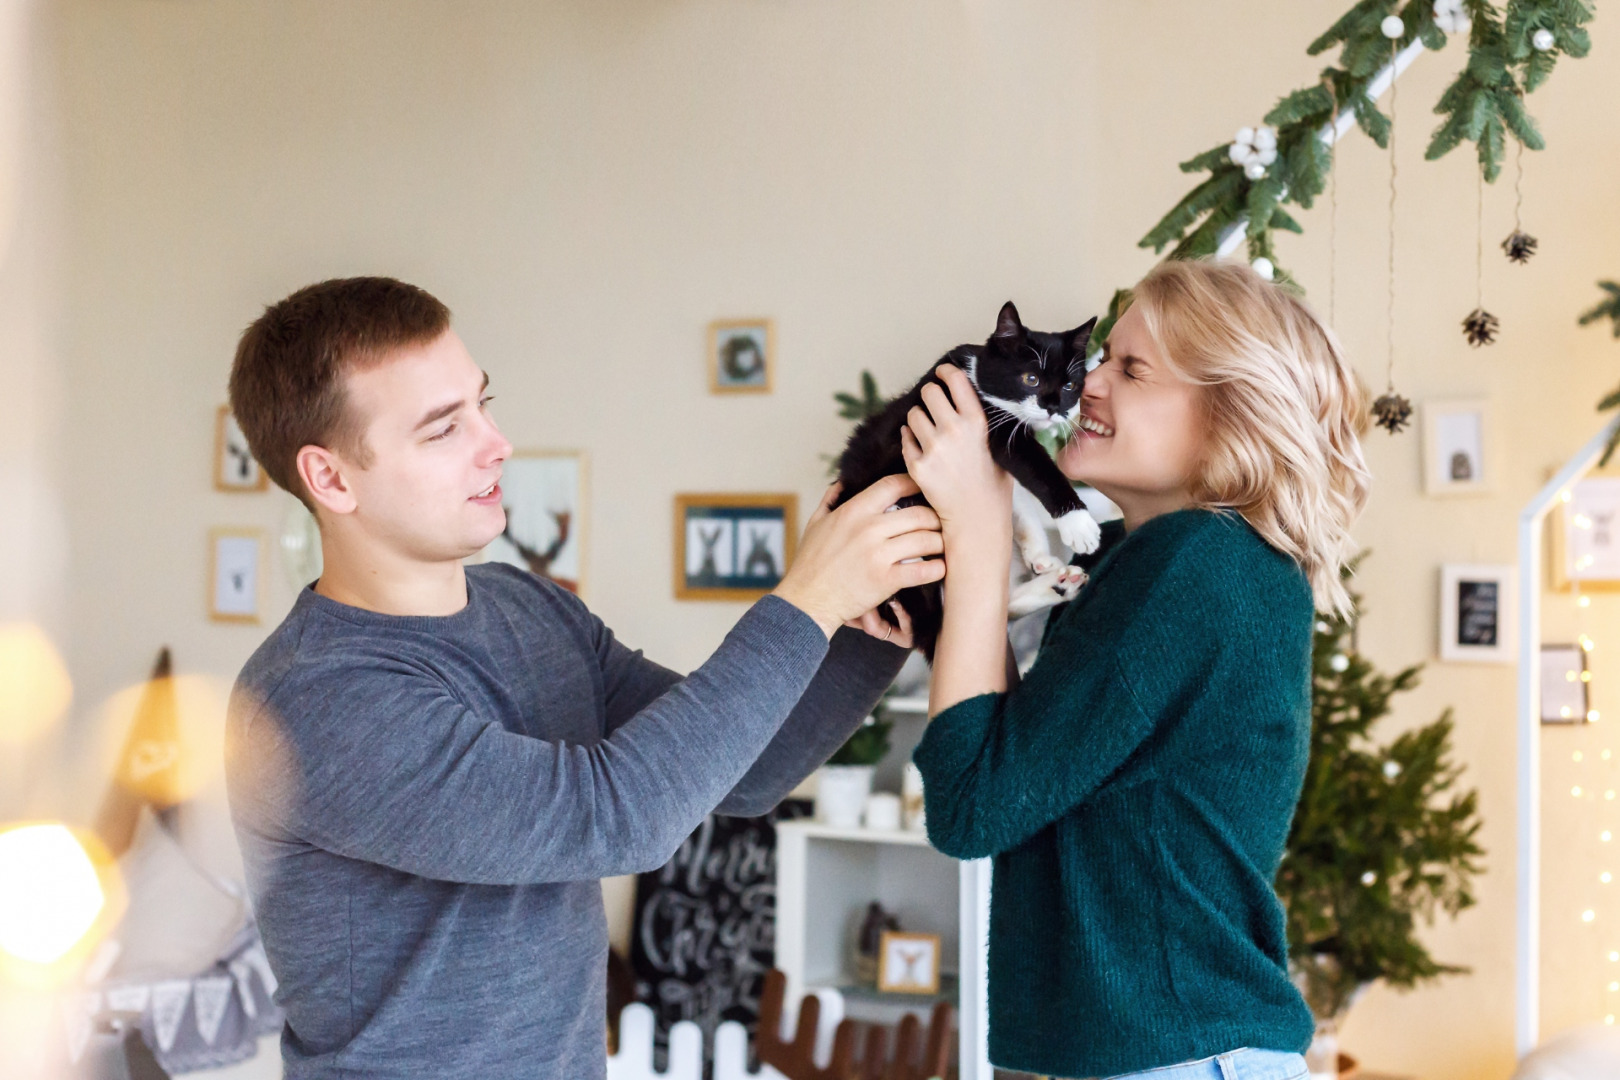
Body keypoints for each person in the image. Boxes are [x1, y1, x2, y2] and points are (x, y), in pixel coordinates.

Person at [222, 276, 940, 1079]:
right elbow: (616, 816)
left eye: (483, 404)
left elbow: (745, 774)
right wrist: (809, 596)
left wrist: (890, 596)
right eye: (443, 429)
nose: (495, 443)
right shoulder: (314, 701)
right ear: (330, 479)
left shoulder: (527, 607)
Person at [902, 259, 1370, 1080]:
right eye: (1103, 359)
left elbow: (972, 805)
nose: (1089, 384)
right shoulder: (1181, 564)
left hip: (1181, 1055)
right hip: (1185, 1052)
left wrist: (977, 524)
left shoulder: (1193, 567)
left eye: (1132, 368)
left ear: (1230, 412)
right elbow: (1023, 764)